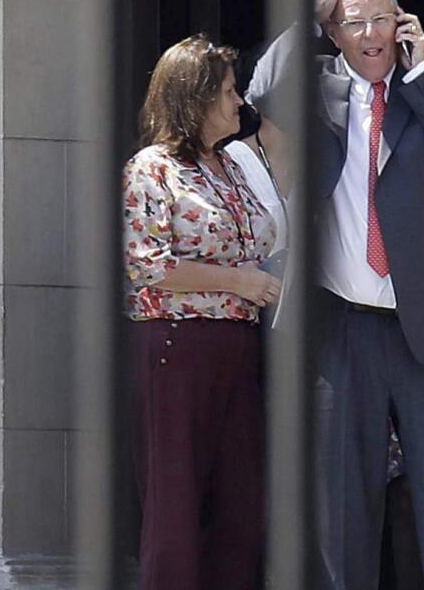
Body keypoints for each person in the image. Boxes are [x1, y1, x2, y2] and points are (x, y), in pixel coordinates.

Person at [247, 0, 424, 590]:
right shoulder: (317, 88)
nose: (372, 34)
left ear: (402, 21)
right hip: (341, 330)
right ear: (334, 33)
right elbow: (261, 88)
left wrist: (421, 71)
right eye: (356, 22)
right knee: (342, 507)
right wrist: (311, 16)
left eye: (382, 18)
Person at [123, 35, 281, 589]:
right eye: (230, 91)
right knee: (176, 512)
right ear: (195, 97)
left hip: (236, 348)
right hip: (176, 346)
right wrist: (239, 281)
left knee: (242, 507)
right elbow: (148, 266)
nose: (240, 102)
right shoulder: (153, 169)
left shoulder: (232, 167)